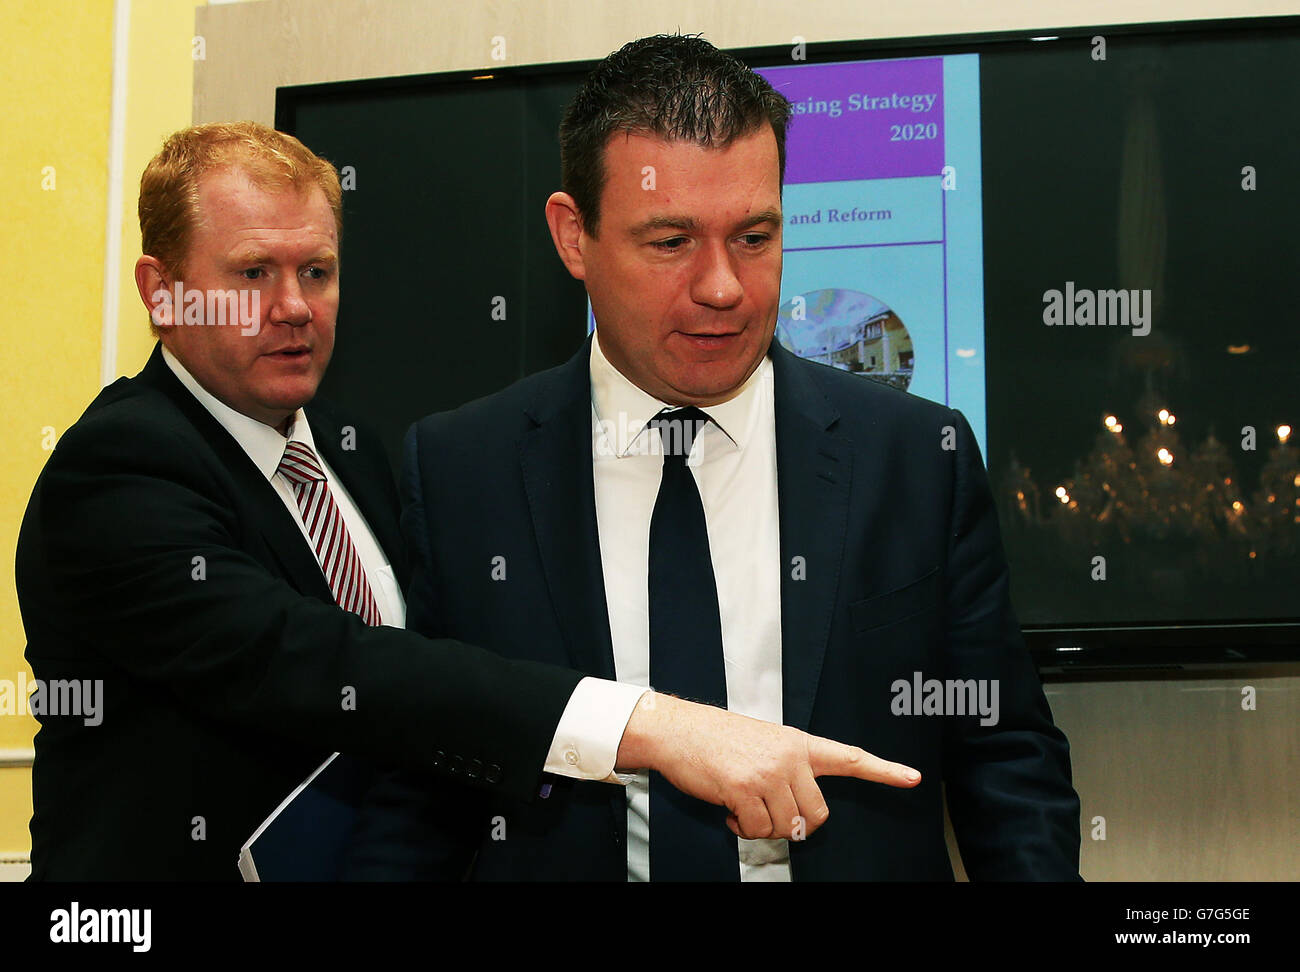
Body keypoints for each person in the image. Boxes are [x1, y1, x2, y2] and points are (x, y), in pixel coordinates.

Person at [14, 121, 920, 881]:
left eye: (318, 272)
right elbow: (329, 668)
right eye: (253, 275)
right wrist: (655, 724)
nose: (294, 307)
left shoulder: (354, 456)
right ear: (160, 291)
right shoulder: (119, 470)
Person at [349, 35, 1082, 881]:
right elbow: (426, 771)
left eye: (755, 236)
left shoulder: (918, 456)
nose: (723, 287)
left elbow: (1006, 758)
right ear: (573, 236)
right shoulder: (462, 470)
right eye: (670, 242)